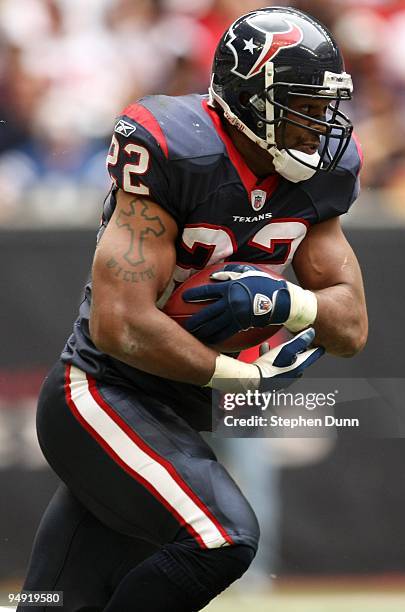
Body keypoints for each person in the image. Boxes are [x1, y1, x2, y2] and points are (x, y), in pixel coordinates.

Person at [19, 6, 368, 612]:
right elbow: (119, 323)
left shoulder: (318, 179)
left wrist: (289, 299)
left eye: (323, 105)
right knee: (220, 538)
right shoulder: (178, 150)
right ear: (249, 94)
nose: (319, 124)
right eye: (303, 105)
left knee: (56, 604)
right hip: (102, 392)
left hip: (174, 410)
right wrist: (243, 376)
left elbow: (352, 326)